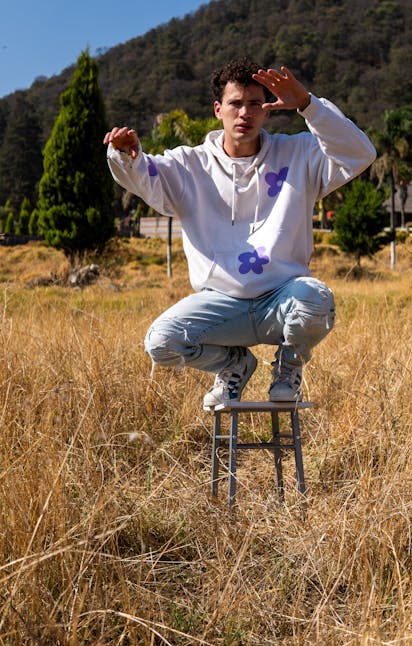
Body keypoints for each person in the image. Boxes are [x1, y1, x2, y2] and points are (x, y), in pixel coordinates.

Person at [104, 58, 376, 407]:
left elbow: (360, 153)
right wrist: (125, 155)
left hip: (281, 299)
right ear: (218, 109)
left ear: (268, 110)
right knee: (161, 342)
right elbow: (145, 176)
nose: (244, 113)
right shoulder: (191, 164)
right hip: (221, 304)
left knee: (317, 300)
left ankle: (289, 365)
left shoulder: (298, 153)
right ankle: (234, 366)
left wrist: (307, 104)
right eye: (235, 103)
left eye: (254, 104)